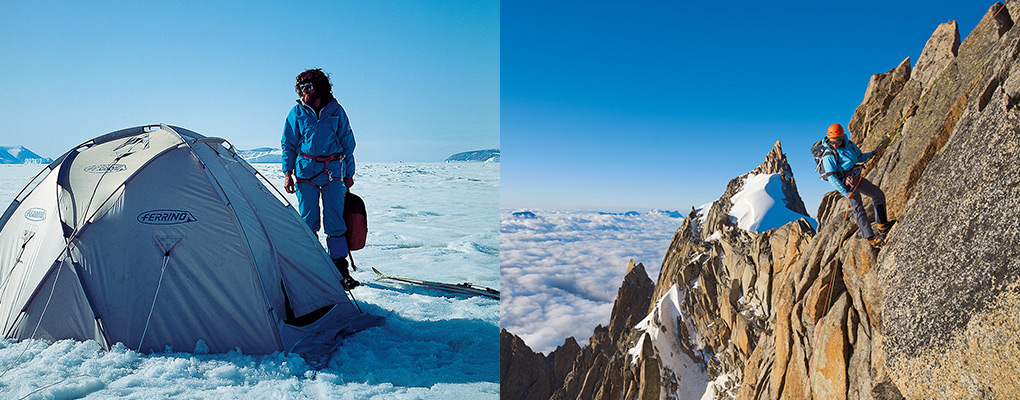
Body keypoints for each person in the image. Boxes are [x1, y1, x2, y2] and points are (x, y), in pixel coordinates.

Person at [282, 68, 360, 288]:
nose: (304, 91)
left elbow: (348, 144)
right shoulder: (296, 113)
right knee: (308, 221)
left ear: (320, 87)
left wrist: (349, 174)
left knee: (335, 220)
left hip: (333, 172)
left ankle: (339, 267)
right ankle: (312, 266)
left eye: (308, 86)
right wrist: (287, 173)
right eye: (301, 88)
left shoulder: (336, 111)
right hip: (305, 173)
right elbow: (288, 144)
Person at [820, 123, 894, 247]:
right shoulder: (829, 155)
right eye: (831, 142)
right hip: (846, 183)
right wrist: (845, 192)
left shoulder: (849, 145)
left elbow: (859, 157)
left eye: (837, 141)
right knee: (858, 207)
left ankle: (882, 225)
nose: (834, 144)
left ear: (842, 138)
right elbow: (831, 176)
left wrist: (873, 153)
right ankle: (870, 237)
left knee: (878, 195)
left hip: (856, 177)